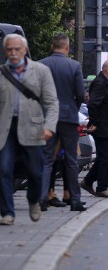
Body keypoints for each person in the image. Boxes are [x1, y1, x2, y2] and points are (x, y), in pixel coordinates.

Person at [0, 34, 59, 225]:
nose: (13, 53)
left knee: (35, 172)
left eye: (17, 49)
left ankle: (33, 200)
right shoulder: (2, 72)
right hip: (5, 127)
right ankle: (7, 212)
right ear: (5, 51)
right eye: (9, 49)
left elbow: (51, 103)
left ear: (25, 50)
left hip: (33, 127)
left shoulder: (40, 71)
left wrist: (49, 127)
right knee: (4, 169)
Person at [38, 34, 87, 212]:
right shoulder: (74, 65)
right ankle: (74, 200)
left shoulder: (41, 64)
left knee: (46, 159)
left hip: (47, 117)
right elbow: (80, 93)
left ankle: (42, 199)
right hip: (68, 117)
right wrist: (73, 108)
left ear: (52, 46)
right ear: (67, 47)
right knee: (72, 160)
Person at [81, 60, 108, 198]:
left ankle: (88, 181)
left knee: (103, 157)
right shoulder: (100, 83)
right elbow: (93, 105)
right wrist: (96, 123)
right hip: (102, 127)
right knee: (106, 158)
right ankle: (102, 187)